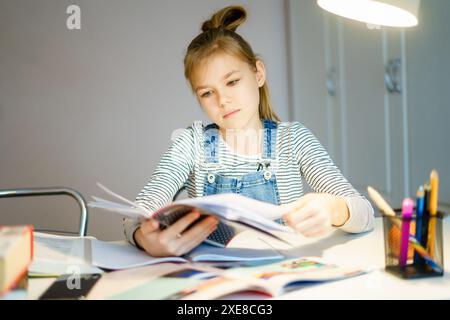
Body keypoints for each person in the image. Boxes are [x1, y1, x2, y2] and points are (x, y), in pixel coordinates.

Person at [124, 5, 374, 257]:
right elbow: (135, 216)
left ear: (258, 74)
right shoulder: (191, 143)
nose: (223, 100)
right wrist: (144, 238)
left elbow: (365, 214)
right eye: (207, 93)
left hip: (280, 273)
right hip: (211, 277)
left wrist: (334, 209)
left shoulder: (293, 140)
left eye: (232, 82)